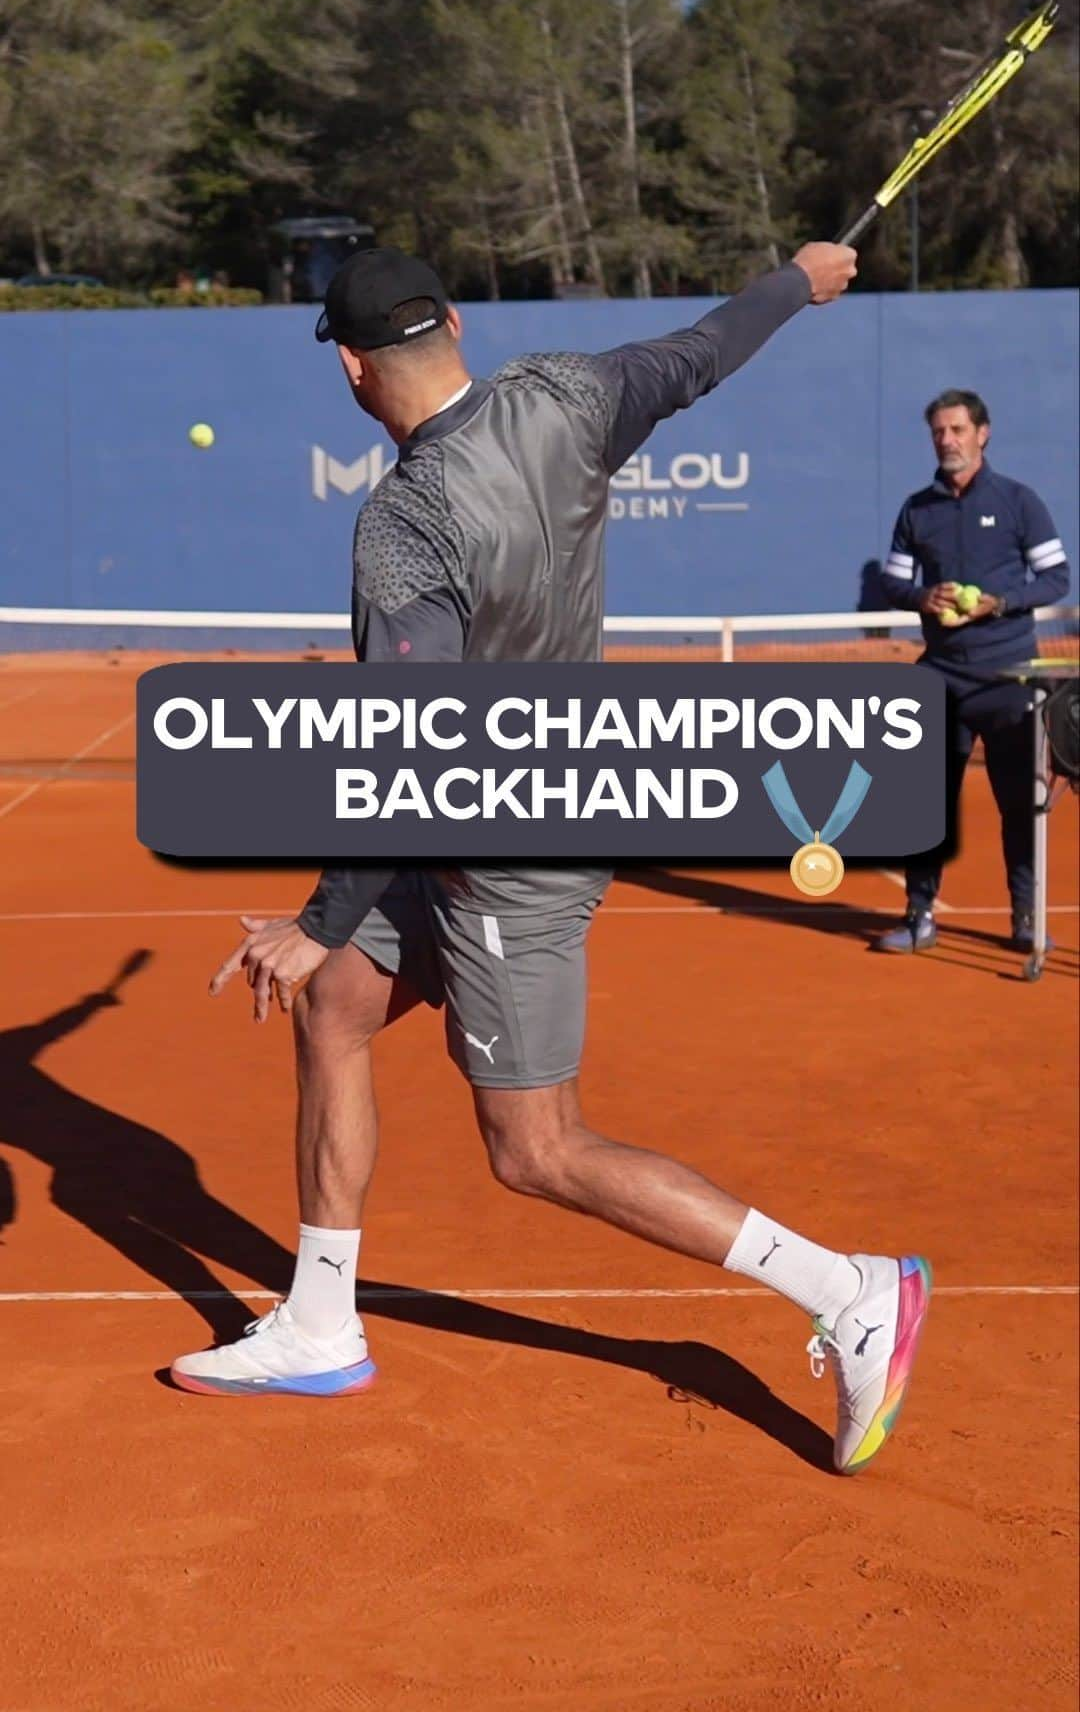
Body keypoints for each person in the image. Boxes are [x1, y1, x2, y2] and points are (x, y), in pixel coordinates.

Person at [171, 242, 932, 1477]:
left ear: (355, 371)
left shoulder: (405, 522)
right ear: (455, 325)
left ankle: (847, 1289)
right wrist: (799, 279)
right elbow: (704, 352)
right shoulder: (565, 397)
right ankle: (319, 1319)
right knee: (338, 1005)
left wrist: (318, 914)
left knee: (536, 1148)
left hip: (509, 860)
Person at [873, 389, 1070, 954]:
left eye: (957, 430)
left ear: (982, 433)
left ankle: (1025, 918)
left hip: (1010, 679)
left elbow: (1057, 579)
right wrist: (921, 597)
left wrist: (1000, 603)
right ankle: (919, 917)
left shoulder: (1019, 501)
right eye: (938, 431)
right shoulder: (917, 509)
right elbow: (893, 581)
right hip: (939, 676)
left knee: (1018, 806)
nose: (947, 440)